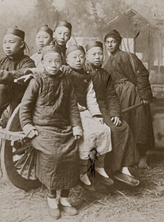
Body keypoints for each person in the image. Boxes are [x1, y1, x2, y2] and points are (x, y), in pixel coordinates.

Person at [19, 43, 82, 219]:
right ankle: (52, 198)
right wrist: (27, 126)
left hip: (64, 127)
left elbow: (72, 107)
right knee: (54, 155)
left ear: (62, 62)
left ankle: (65, 198)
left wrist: (76, 126)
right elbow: (25, 107)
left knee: (71, 153)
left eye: (57, 61)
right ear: (43, 62)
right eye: (49, 61)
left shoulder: (66, 81)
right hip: (42, 127)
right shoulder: (37, 80)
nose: (53, 64)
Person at [85, 40, 141, 186]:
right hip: (89, 108)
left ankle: (123, 168)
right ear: (86, 56)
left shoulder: (105, 74)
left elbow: (112, 96)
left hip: (104, 107)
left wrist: (115, 113)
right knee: (111, 130)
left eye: (100, 54)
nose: (98, 57)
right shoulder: (83, 72)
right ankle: (106, 167)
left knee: (123, 127)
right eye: (94, 54)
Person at [103, 30, 155, 169]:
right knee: (125, 124)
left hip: (133, 93)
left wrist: (144, 95)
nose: (110, 45)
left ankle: (142, 157)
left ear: (118, 42)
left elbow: (141, 74)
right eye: (107, 42)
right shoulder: (106, 63)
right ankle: (129, 157)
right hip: (116, 96)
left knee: (140, 123)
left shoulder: (129, 57)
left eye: (113, 41)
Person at [64, 44, 113, 192]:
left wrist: (97, 115)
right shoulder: (64, 74)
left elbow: (90, 97)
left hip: (84, 111)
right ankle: (83, 171)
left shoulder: (87, 76)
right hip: (68, 112)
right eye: (74, 57)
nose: (78, 60)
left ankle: (99, 166)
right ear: (66, 60)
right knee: (88, 134)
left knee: (104, 129)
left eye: (81, 56)